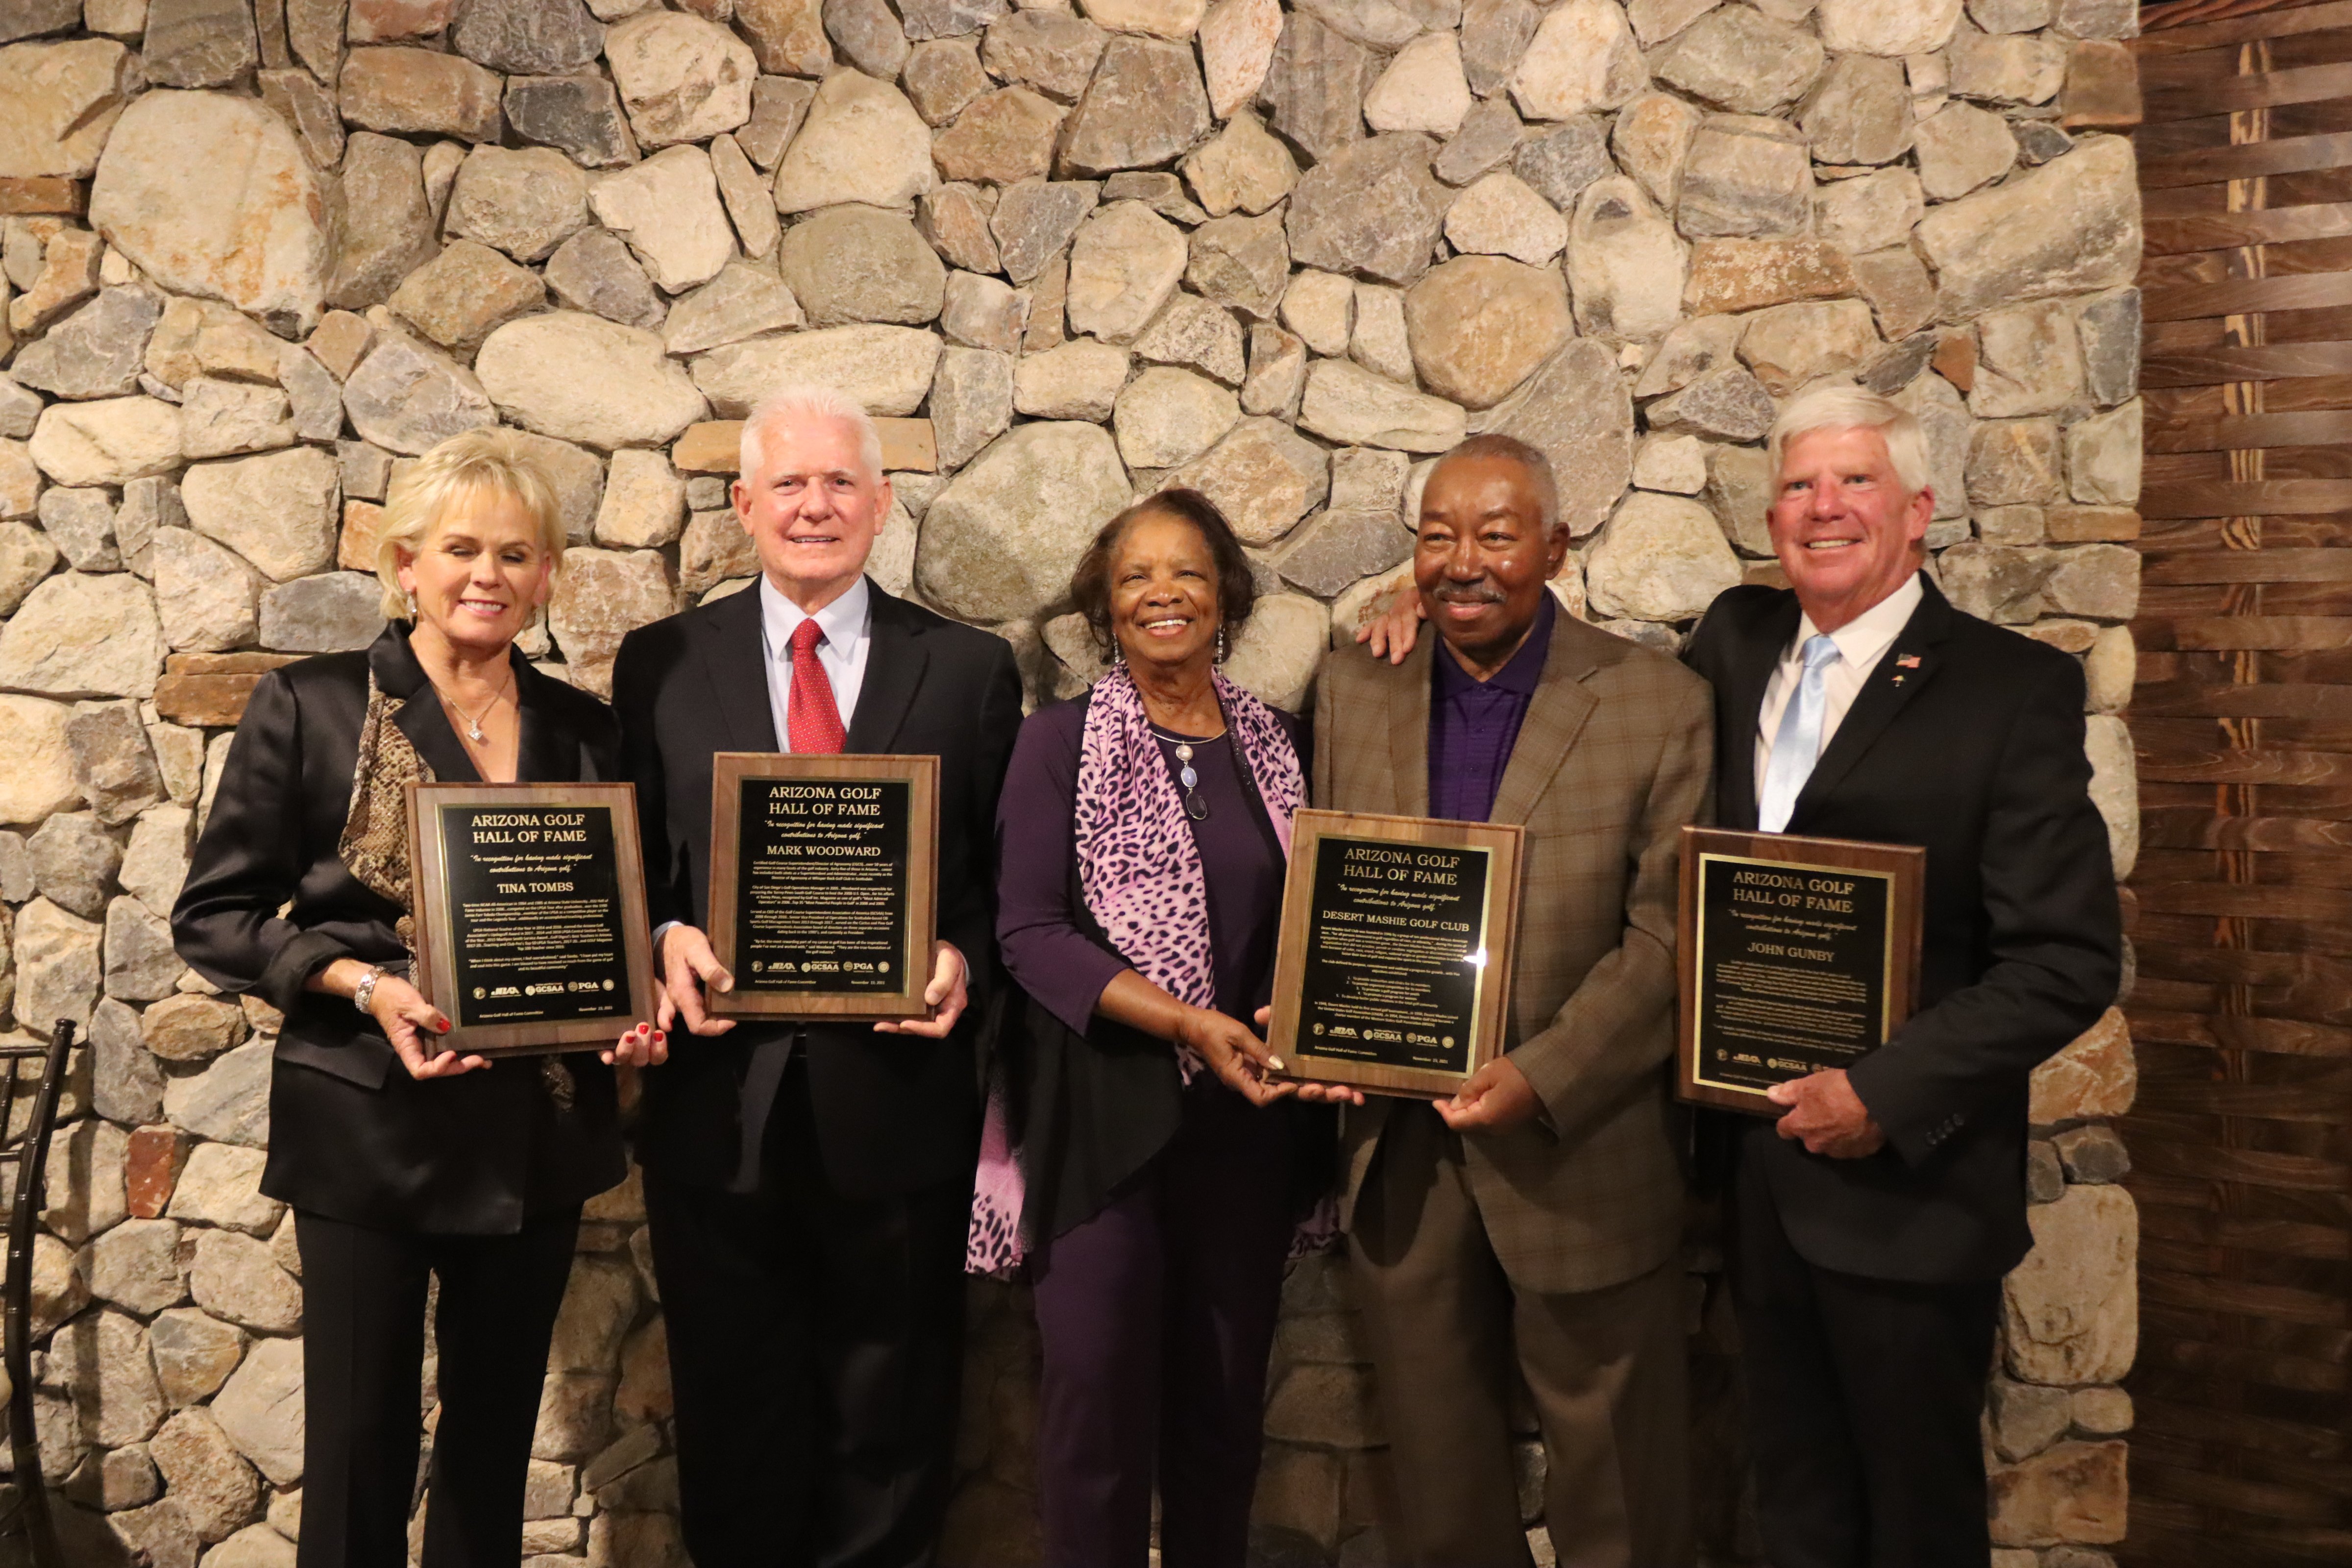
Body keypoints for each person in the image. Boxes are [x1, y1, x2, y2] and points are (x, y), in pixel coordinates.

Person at [172, 428, 664, 1568]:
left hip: (537, 1132)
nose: (487, 575)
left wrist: (624, 1015)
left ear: (547, 576)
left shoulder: (587, 728)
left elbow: (606, 919)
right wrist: (359, 981)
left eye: (516, 553)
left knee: (492, 1446)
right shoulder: (312, 704)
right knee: (358, 1442)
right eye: (459, 549)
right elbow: (217, 918)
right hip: (366, 1126)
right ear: (406, 565)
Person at [1681, 384, 2119, 1568]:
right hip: (1752, 1177)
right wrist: (1421, 604)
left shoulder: (2009, 687)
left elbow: (2068, 959)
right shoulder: (1730, 642)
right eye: (1797, 484)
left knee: (1916, 1519)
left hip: (1907, 1193)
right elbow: (1593, 707)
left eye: (1855, 480)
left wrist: (1882, 1092)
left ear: (1919, 509)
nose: (1823, 507)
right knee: (1793, 1503)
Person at [611, 383, 1024, 1568]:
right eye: (788, 482)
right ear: (743, 504)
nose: (815, 504)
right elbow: (629, 859)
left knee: (891, 1424)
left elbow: (1005, 885)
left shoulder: (967, 669)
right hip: (716, 1107)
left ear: (883, 503)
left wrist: (961, 962)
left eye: (841, 481)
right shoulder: (659, 664)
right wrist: (656, 941)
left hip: (895, 1106)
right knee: (734, 1418)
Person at [1319, 433, 1712, 1568]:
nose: (1464, 561)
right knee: (1443, 1498)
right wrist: (1322, 1025)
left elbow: (1667, 933)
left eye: (1496, 534)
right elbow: (1331, 888)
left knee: (1621, 1496)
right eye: (1437, 537)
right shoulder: (1357, 681)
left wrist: (1542, 1073)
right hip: (1402, 1149)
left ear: (1556, 545)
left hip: (1581, 1148)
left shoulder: (1659, 700)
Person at [987, 490, 1328, 1568]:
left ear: (1226, 593)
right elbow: (1029, 934)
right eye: (1136, 576)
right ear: (1105, 606)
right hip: (1104, 1120)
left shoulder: (1283, 744)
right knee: (1095, 1412)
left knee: (1222, 1416)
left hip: (1247, 1126)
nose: (1162, 594)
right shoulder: (1056, 745)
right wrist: (1188, 1021)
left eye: (1186, 572)